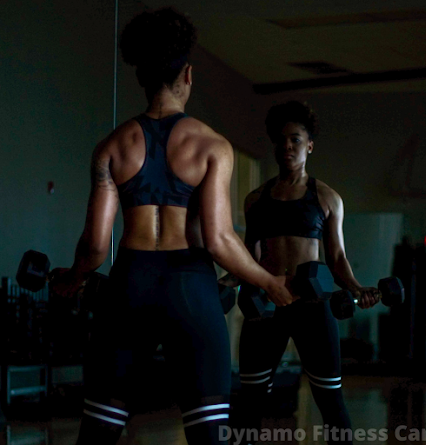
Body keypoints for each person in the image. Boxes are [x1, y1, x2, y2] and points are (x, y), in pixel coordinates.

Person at [49, 8, 293, 445]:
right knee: (209, 436)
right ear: (188, 75)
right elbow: (219, 241)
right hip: (191, 289)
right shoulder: (212, 145)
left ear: (142, 77)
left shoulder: (111, 147)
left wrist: (73, 276)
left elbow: (95, 247)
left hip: (129, 287)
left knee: (97, 435)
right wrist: (269, 282)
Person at [220, 101, 379, 445]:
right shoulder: (256, 199)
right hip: (266, 307)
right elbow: (250, 256)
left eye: (295, 139)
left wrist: (356, 287)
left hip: (312, 308)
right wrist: (226, 281)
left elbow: (337, 257)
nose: (287, 146)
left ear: (309, 146)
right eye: (281, 140)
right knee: (249, 403)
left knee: (330, 402)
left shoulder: (327, 198)